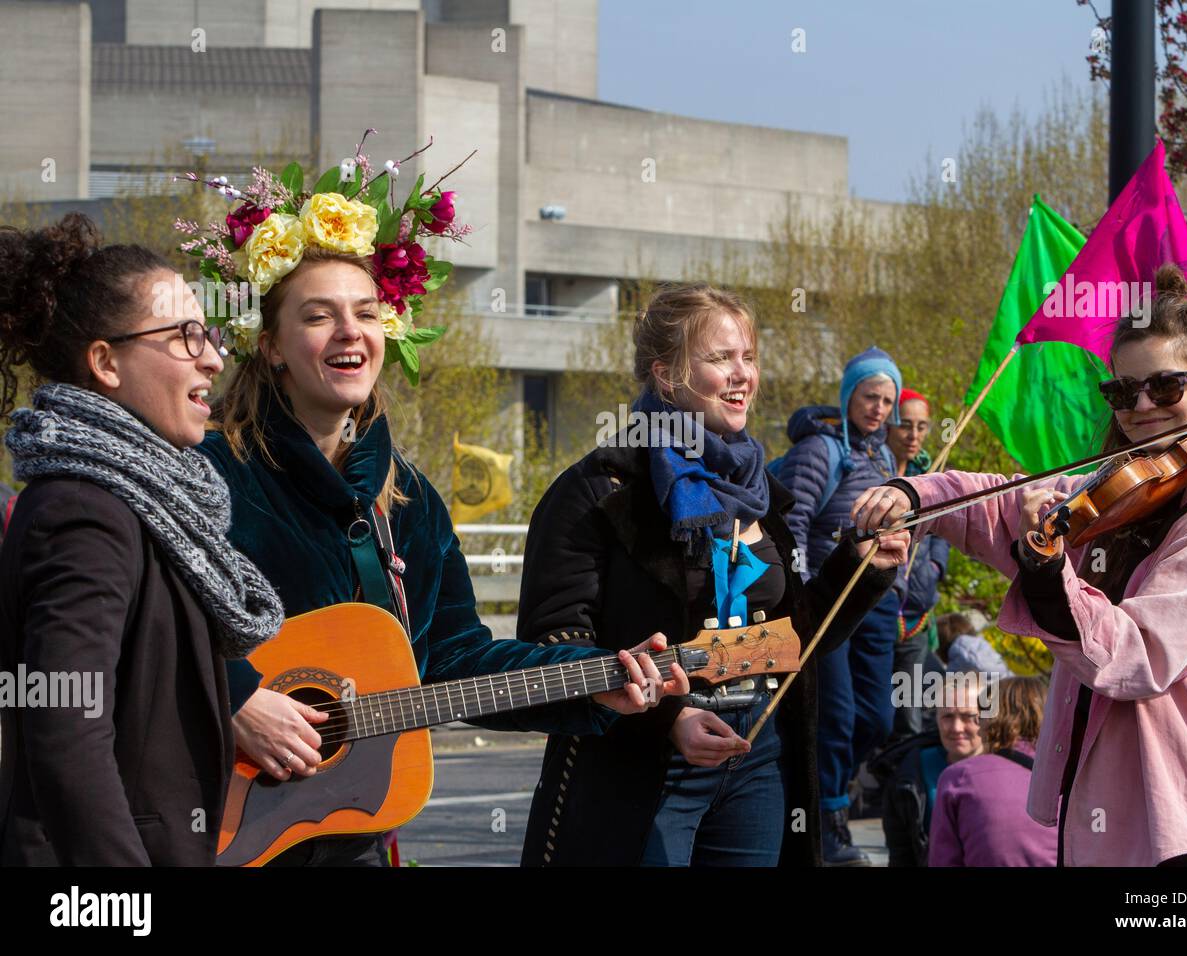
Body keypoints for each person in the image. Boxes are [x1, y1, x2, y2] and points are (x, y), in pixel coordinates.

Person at [193, 166, 684, 866]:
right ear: (271, 345)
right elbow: (141, 624)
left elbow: (453, 660)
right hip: (217, 826)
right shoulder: (209, 475)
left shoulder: (409, 500)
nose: (350, 332)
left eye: (366, 312)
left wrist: (595, 678)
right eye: (318, 314)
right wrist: (238, 698)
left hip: (350, 834)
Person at [854, 264, 1187, 866]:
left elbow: (1136, 656)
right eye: (1122, 391)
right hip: (1107, 824)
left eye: (1165, 388)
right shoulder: (1123, 491)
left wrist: (1047, 570)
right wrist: (915, 496)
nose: (1141, 407)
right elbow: (1001, 502)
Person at [514, 283, 910, 866]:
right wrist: (668, 717)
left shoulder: (760, 491)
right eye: (721, 358)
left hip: (757, 758)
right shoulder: (597, 493)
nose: (742, 374)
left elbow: (794, 639)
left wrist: (861, 568)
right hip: (641, 770)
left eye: (748, 356)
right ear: (667, 374)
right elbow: (555, 643)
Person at [0, 213, 284, 865]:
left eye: (207, 333)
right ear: (106, 362)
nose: (213, 356)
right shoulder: (85, 510)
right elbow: (65, 727)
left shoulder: (141, 499)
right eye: (185, 337)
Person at [777, 347, 903, 864]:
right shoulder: (820, 450)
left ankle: (829, 793)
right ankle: (827, 817)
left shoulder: (886, 456)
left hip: (874, 602)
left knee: (876, 718)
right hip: (829, 602)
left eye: (886, 401)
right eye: (869, 396)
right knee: (835, 716)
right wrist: (806, 587)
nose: (877, 409)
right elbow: (795, 522)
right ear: (849, 395)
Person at [929, 676, 1056, 867]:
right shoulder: (1072, 777)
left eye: (976, 717)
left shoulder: (958, 778)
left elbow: (944, 860)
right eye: (947, 716)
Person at [885, 388, 950, 741]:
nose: (913, 435)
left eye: (922, 427)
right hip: (878, 616)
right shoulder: (871, 470)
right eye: (905, 425)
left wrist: (935, 567)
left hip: (917, 620)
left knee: (910, 714)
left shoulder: (932, 476)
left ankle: (904, 789)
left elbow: (943, 530)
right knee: (875, 712)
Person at [875, 673, 985, 866]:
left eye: (968, 716)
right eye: (948, 716)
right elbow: (902, 857)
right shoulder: (908, 776)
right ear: (936, 717)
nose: (957, 727)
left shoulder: (1013, 771)